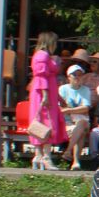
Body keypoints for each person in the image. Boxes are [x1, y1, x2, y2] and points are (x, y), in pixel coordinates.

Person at [27, 30, 65, 170]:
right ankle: (46, 157)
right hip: (44, 92)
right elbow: (42, 76)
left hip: (46, 92)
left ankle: (38, 156)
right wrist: (45, 95)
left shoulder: (41, 55)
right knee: (47, 123)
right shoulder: (43, 55)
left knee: (41, 122)